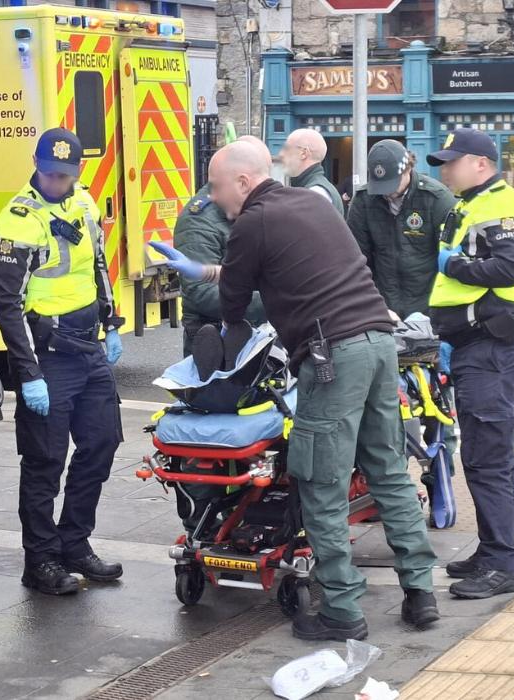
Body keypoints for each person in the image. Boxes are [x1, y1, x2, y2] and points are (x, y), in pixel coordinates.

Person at [154, 140, 438, 641]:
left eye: (219, 188)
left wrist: (211, 322)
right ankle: (420, 593)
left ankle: (343, 613)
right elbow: (291, 267)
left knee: (321, 485)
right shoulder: (310, 203)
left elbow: (233, 308)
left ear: (243, 182)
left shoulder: (249, 224)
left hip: (332, 358)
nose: (217, 199)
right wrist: (210, 270)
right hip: (378, 345)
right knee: (387, 470)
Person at [0, 127, 125, 596]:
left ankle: (75, 544)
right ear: (36, 164)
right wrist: (28, 375)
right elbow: (8, 305)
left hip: (89, 349)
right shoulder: (16, 221)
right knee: (45, 462)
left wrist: (113, 323)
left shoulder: (84, 204)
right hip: (49, 357)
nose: (56, 183)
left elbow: (99, 266)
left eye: (65, 176)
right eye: (49, 174)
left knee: (102, 446)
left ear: (78, 172)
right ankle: (41, 560)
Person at [427, 128, 514, 600]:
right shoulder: (474, 202)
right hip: (478, 348)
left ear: (480, 162)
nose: (445, 169)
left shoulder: (502, 203)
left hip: (492, 348)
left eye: (452, 161)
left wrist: (453, 267)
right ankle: (496, 548)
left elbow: (511, 268)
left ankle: (503, 563)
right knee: (493, 457)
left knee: (486, 459)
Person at [172, 135, 269, 356]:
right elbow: (201, 292)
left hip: (254, 332)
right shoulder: (198, 219)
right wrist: (273, 301)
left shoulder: (251, 210)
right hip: (215, 340)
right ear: (241, 179)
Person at [347, 140, 457, 320]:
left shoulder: (437, 199)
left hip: (430, 308)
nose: (386, 192)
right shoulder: (363, 200)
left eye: (391, 184)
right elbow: (357, 261)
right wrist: (372, 305)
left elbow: (451, 260)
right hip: (383, 309)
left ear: (408, 168)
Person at [279, 128, 343, 215]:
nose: (281, 154)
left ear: (303, 153)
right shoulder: (311, 189)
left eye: (286, 148)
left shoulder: (315, 193)